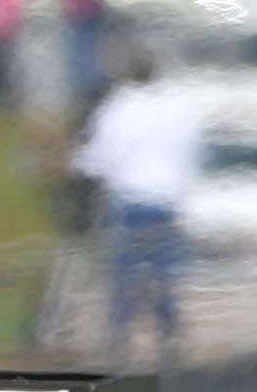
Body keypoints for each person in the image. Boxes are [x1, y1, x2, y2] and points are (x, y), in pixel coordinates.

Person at [73, 55, 205, 359]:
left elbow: (103, 157)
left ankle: (119, 335)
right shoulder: (179, 108)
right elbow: (194, 151)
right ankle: (169, 334)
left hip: (131, 199)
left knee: (125, 270)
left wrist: (81, 163)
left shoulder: (119, 108)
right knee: (163, 270)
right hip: (168, 199)